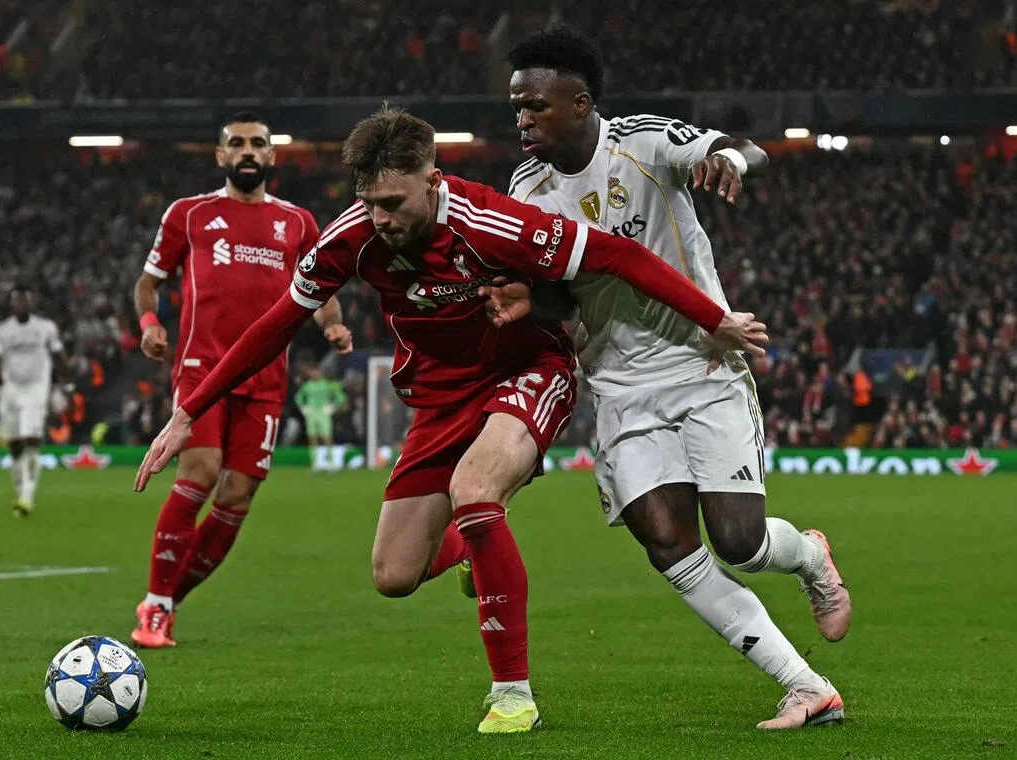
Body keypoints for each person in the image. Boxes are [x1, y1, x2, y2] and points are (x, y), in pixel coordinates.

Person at [134, 104, 769, 733]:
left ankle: (512, 694)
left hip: (525, 372)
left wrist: (714, 318)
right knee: (393, 575)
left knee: (475, 491)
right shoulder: (352, 236)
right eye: (370, 202)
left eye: (393, 203)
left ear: (432, 181)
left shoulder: (493, 220)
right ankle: (471, 543)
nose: (379, 219)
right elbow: (276, 325)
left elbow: (617, 257)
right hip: (439, 399)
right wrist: (189, 412)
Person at [481, 24, 851, 730]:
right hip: (619, 384)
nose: (522, 118)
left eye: (536, 105)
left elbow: (740, 148)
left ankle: (808, 557)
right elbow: (560, 288)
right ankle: (805, 685)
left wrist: (733, 162)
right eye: (516, 106)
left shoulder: (643, 143)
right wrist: (533, 297)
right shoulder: (526, 187)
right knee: (666, 540)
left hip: (702, 362)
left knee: (739, 540)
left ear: (582, 102)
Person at [131, 112, 353, 649]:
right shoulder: (189, 214)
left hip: (266, 376)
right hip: (201, 369)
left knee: (238, 496)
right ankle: (156, 607)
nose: (248, 151)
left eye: (258, 144)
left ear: (272, 156)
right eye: (237, 144)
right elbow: (147, 283)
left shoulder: (298, 222)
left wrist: (334, 324)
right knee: (201, 472)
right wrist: (149, 324)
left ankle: (165, 602)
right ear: (220, 156)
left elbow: (320, 289)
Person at [0, 285, 66, 517]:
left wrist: (67, 382)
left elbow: (58, 354)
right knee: (14, 444)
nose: (22, 304)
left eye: (25, 301)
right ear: (12, 305)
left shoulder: (45, 328)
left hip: (36, 388)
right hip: (11, 389)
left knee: (31, 438)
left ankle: (27, 495)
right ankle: (21, 488)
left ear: (31, 304)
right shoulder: (2, 330)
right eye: (17, 301)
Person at [293, 363, 347, 471]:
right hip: (311, 413)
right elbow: (298, 398)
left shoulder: (326, 385)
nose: (314, 374)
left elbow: (340, 396)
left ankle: (331, 463)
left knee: (326, 437)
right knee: (312, 437)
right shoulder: (307, 385)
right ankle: (315, 463)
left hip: (323, 412)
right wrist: (304, 408)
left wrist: (332, 407)